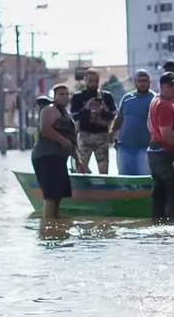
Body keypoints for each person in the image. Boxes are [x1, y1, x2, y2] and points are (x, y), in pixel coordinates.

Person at [31, 85, 87, 219]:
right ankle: (49, 226)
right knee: (51, 195)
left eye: (67, 94)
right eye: (61, 94)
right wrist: (62, 141)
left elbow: (71, 141)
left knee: (58, 195)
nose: (65, 97)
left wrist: (78, 161)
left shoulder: (66, 114)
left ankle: (55, 226)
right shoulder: (50, 109)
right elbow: (45, 129)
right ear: (54, 96)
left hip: (59, 158)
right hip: (46, 156)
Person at [147, 71, 174, 220]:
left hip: (158, 151)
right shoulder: (163, 105)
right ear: (162, 87)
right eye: (170, 85)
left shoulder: (160, 101)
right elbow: (166, 132)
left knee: (161, 191)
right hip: (166, 153)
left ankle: (159, 223)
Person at [69, 69, 116, 174]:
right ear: (85, 80)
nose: (94, 84)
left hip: (102, 135)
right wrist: (86, 108)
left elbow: (114, 115)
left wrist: (102, 111)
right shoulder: (78, 97)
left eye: (96, 81)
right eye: (90, 81)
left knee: (103, 166)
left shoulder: (106, 96)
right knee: (81, 166)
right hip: (84, 135)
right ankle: (82, 188)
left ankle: (103, 188)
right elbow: (74, 116)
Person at [109, 69, 155, 176]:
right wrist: (112, 130)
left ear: (149, 82)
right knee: (125, 178)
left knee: (144, 179)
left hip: (145, 147)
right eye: (140, 81)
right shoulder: (127, 98)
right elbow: (119, 117)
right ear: (135, 82)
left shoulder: (155, 99)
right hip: (124, 146)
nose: (143, 83)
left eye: (145, 80)